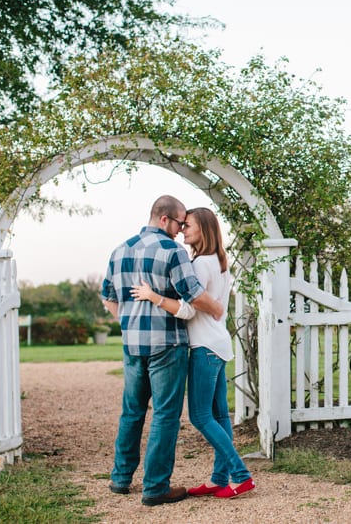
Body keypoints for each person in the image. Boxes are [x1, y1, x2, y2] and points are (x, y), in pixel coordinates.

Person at [101, 195, 223, 507]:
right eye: (180, 223)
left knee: (132, 411)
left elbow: (107, 298)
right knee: (166, 415)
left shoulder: (120, 249)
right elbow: (194, 295)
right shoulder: (172, 250)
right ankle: (155, 488)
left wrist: (128, 322)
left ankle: (120, 478)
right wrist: (218, 307)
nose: (182, 230)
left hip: (132, 344)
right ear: (165, 219)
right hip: (167, 345)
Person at [131, 206, 255, 499]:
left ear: (204, 230)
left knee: (200, 416)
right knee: (220, 416)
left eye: (188, 226)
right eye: (183, 225)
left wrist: (153, 297)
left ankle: (241, 475)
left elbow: (188, 309)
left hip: (204, 347)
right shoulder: (218, 261)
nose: (183, 230)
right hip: (218, 344)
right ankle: (218, 480)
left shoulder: (200, 264)